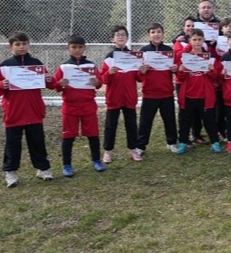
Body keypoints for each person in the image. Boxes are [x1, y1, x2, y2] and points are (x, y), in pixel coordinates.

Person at [1, 32, 55, 187]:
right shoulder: (5, 66)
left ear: (28, 45)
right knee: (13, 144)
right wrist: (2, 85)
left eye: (24, 44)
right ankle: (10, 172)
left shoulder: (36, 63)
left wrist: (49, 80)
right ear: (10, 47)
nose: (21, 47)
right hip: (14, 112)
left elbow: (50, 85)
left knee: (37, 142)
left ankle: (43, 169)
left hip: (33, 111)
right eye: (17, 44)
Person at [54, 35, 106, 177]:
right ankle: (67, 165)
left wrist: (97, 82)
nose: (77, 50)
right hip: (70, 107)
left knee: (93, 134)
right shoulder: (64, 67)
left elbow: (99, 82)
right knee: (68, 136)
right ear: (68, 48)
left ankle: (96, 160)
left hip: (88, 106)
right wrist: (60, 83)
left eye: (80, 47)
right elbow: (55, 85)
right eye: (74, 47)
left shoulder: (90, 66)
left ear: (84, 48)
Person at [174, 28, 221, 154]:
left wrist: (211, 70)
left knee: (209, 120)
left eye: (200, 39)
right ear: (189, 41)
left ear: (203, 40)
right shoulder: (185, 57)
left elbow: (216, 77)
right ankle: (183, 142)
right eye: (194, 39)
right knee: (185, 120)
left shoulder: (210, 57)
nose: (197, 42)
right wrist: (181, 70)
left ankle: (215, 142)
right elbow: (180, 78)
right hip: (188, 94)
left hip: (205, 95)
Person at [100, 26, 143, 164]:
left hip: (129, 97)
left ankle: (133, 149)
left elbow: (139, 78)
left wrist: (142, 71)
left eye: (123, 34)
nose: (121, 37)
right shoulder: (109, 58)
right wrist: (109, 73)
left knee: (131, 125)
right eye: (117, 35)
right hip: (114, 97)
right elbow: (103, 79)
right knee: (110, 125)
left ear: (127, 37)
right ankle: (108, 151)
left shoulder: (133, 56)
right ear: (112, 39)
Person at [137, 23, 179, 155]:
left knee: (169, 119)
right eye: (153, 32)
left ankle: (171, 142)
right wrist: (142, 71)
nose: (156, 34)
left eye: (159, 31)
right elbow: (138, 76)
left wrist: (175, 69)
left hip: (166, 92)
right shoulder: (143, 51)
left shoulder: (169, 50)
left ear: (163, 34)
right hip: (149, 93)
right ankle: (141, 146)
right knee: (145, 121)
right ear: (148, 35)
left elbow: (176, 69)